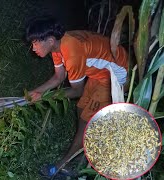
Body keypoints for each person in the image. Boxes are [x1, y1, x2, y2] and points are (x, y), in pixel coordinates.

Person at [25, 16, 128, 178]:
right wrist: (35, 92)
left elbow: (76, 90)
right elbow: (58, 77)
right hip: (99, 73)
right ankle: (81, 148)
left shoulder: (71, 52)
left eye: (36, 42)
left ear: (50, 40)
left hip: (115, 75)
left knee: (87, 123)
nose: (33, 48)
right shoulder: (58, 46)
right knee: (81, 108)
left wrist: (44, 96)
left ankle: (63, 166)